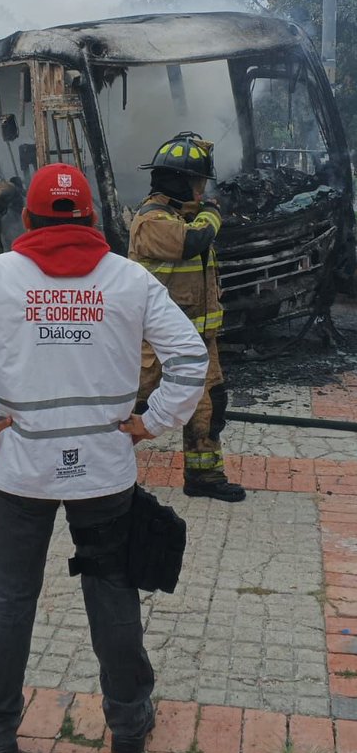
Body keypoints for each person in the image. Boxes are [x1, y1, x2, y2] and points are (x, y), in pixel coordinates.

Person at [0, 163, 208, 753]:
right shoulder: (129, 280)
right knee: (113, 593)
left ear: (26, 218)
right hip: (104, 471)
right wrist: (152, 422)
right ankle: (128, 720)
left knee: (11, 598)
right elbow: (189, 357)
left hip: (20, 470)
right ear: (91, 218)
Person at [129, 132, 246, 503]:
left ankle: (204, 477)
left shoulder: (180, 216)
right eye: (197, 182)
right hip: (153, 344)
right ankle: (92, 467)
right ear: (179, 181)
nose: (201, 189)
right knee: (130, 405)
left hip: (198, 342)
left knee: (210, 404)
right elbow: (190, 242)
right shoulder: (152, 221)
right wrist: (213, 211)